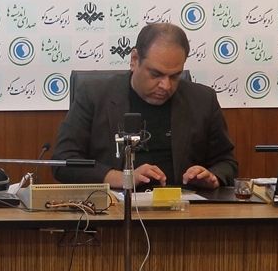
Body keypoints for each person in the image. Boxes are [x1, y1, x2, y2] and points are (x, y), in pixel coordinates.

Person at [52, 23, 237, 190]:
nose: (166, 85)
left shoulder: (202, 99)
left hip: (183, 208)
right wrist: (122, 178)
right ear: (134, 60)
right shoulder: (94, 95)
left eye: (175, 76)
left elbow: (226, 162)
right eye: (156, 74)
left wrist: (213, 177)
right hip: (114, 208)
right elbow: (63, 162)